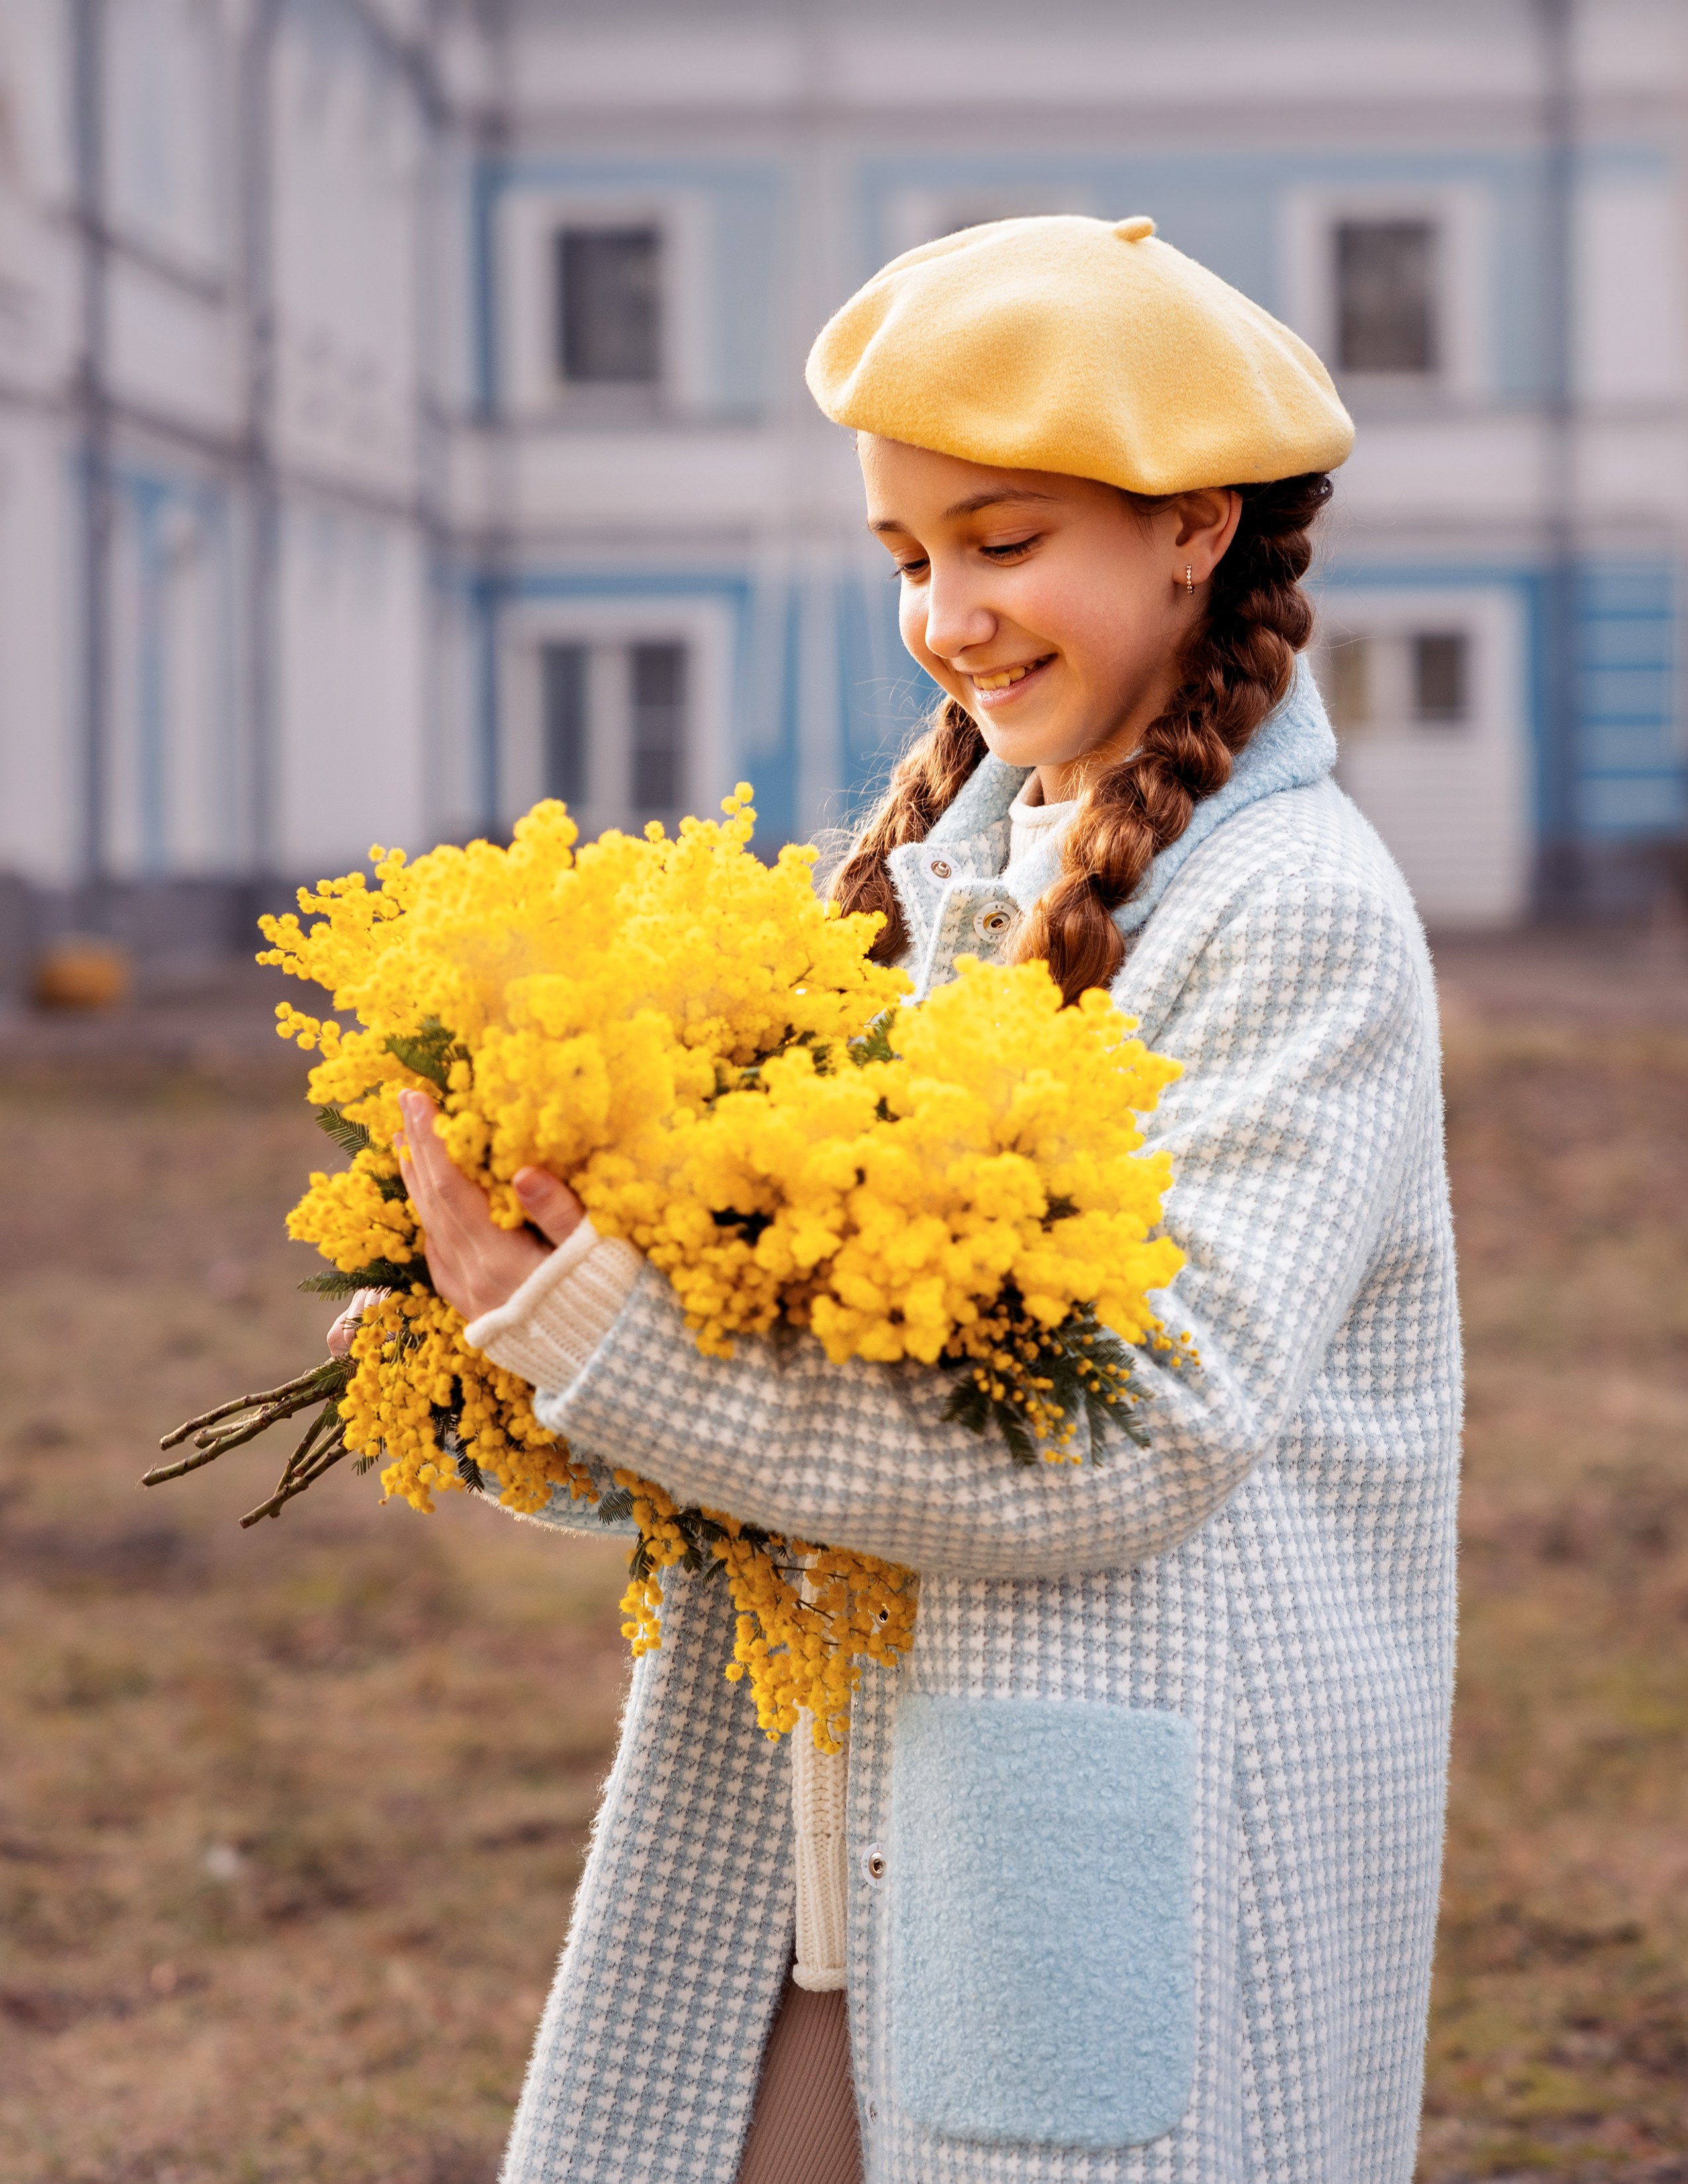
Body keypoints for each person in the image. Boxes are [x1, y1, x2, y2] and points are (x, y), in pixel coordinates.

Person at [360, 216, 1461, 2184]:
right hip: (812, 1845)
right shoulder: (909, 897)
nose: (947, 614)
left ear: (1194, 528)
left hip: (1093, 1857)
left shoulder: (1297, 915)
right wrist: (488, 1349)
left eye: (1002, 540)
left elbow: (1140, 1433)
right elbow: (764, 1416)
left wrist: (593, 1331)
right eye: (905, 558)